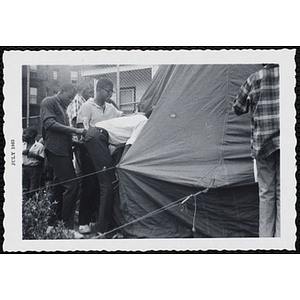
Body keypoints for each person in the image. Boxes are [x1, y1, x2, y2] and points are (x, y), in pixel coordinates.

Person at [233, 64, 280, 237]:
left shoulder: (254, 79)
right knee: (284, 192)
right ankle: (282, 240)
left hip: (263, 145)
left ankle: (266, 242)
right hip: (286, 143)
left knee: (266, 193)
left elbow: (238, 108)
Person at [76, 78, 123, 234]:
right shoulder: (87, 106)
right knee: (89, 184)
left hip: (105, 151)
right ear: (99, 89)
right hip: (89, 150)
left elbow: (123, 118)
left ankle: (96, 220)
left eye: (112, 91)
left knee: (101, 185)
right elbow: (81, 129)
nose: (110, 94)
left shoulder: (111, 108)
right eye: (108, 91)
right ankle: (83, 221)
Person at [40, 83, 86, 238]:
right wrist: (76, 130)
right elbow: (49, 124)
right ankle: (67, 227)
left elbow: (61, 134)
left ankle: (51, 224)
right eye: (69, 97)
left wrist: (78, 143)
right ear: (61, 91)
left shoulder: (63, 108)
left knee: (59, 187)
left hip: (64, 151)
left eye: (73, 98)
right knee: (72, 186)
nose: (71, 101)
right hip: (56, 151)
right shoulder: (49, 102)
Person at [22, 127, 45, 198]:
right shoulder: (22, 145)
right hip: (24, 168)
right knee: (24, 187)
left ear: (31, 135)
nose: (23, 135)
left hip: (34, 169)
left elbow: (43, 159)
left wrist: (33, 155)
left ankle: (33, 204)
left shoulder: (39, 146)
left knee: (33, 188)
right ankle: (25, 204)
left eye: (25, 133)